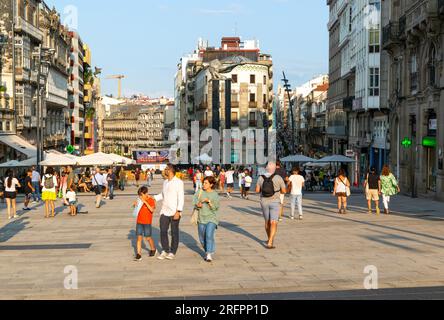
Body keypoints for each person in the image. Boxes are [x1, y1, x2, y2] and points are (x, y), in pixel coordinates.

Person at [154, 164, 185, 260]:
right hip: (164, 210)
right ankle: (165, 250)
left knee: (174, 232)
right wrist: (153, 198)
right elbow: (163, 194)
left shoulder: (179, 182)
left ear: (171, 170)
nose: (165, 170)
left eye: (166, 169)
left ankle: (172, 251)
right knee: (163, 231)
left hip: (174, 211)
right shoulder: (165, 182)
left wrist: (178, 211)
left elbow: (181, 197)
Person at [255, 162, 287, 249]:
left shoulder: (261, 177)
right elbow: (284, 191)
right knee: (274, 222)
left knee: (267, 222)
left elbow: (257, 190)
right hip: (275, 201)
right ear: (274, 169)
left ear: (266, 168)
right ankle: (270, 241)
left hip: (264, 201)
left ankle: (269, 237)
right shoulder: (278, 177)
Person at [193, 176, 220, 262]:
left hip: (212, 218)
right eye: (203, 183)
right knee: (202, 238)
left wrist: (209, 202)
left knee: (209, 235)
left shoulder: (214, 194)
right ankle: (208, 249)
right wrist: (198, 204)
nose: (203, 185)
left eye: (206, 183)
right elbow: (194, 201)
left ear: (211, 184)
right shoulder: (199, 192)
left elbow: (216, 207)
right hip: (201, 218)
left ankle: (209, 253)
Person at [134, 186, 157, 261]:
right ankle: (138, 254)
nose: (140, 197)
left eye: (141, 195)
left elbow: (152, 210)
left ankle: (153, 249)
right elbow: (135, 210)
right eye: (139, 195)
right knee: (139, 238)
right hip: (139, 221)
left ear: (146, 193)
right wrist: (135, 205)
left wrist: (145, 202)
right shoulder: (139, 200)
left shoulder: (151, 200)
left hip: (147, 222)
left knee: (148, 238)